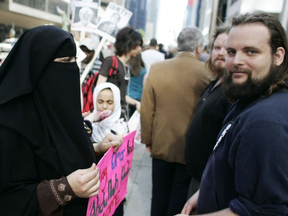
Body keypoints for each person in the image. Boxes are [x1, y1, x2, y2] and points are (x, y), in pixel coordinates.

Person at [0, 25, 123, 216]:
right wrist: (63, 189)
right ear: (38, 65)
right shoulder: (8, 124)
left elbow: (63, 151)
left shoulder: (56, 108)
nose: (72, 69)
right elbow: (8, 199)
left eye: (75, 61)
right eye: (66, 61)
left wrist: (97, 149)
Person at [178, 11, 288, 216]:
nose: (236, 60)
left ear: (278, 56)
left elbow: (262, 210)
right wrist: (204, 192)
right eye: (231, 51)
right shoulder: (251, 97)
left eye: (251, 52)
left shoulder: (264, 121)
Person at [140, 26, 210, 216]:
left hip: (161, 144)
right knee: (180, 199)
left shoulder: (157, 69)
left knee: (159, 196)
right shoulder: (207, 73)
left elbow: (147, 109)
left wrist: (148, 139)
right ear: (198, 48)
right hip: (190, 148)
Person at [184, 25, 231, 200]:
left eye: (228, 49)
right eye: (217, 47)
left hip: (209, 180)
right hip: (196, 173)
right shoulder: (214, 82)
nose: (221, 52)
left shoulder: (232, 91)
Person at [96, 27, 142, 120]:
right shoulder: (110, 61)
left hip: (120, 116)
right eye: (137, 45)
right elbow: (98, 89)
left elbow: (122, 95)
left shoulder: (126, 66)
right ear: (129, 44)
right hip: (108, 117)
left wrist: (136, 103)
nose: (140, 49)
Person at [126, 53, 147, 118]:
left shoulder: (127, 69)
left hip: (128, 98)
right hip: (139, 100)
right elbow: (145, 86)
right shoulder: (143, 71)